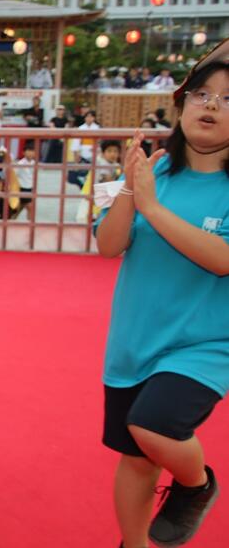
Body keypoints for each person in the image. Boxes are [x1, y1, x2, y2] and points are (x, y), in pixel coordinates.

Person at [95, 39, 228, 548]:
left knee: (154, 427)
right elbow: (109, 245)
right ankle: (135, 544)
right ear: (182, 103)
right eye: (201, 93)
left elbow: (223, 258)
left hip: (204, 344)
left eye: (228, 98)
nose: (211, 104)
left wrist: (152, 207)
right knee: (136, 456)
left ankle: (197, 485)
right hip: (134, 341)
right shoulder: (156, 172)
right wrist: (132, 190)